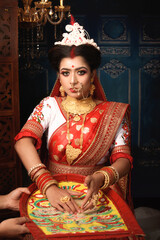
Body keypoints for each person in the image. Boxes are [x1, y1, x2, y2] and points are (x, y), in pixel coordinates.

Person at [14, 17, 144, 239]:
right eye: (66, 73)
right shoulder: (49, 105)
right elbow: (23, 140)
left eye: (81, 72)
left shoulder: (115, 113)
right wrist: (47, 185)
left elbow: (123, 159)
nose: (73, 81)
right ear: (59, 76)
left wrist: (102, 178)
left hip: (94, 194)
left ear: (93, 74)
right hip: (51, 191)